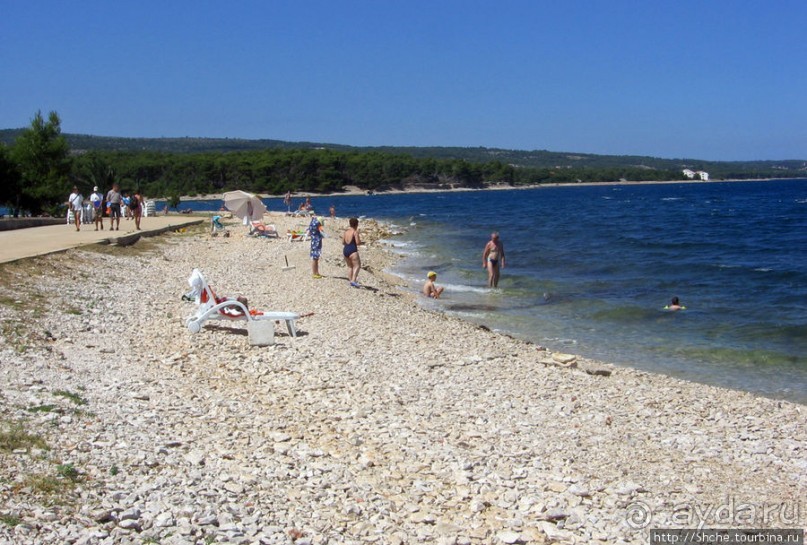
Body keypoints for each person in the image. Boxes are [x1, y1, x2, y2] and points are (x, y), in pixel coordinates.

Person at [343, 217, 362, 287]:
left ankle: (350, 280)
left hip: (345, 250)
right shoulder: (355, 232)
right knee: (357, 265)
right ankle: (353, 280)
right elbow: (357, 242)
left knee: (349, 266)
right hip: (352, 250)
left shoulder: (346, 232)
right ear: (356, 225)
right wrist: (361, 242)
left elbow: (343, 242)